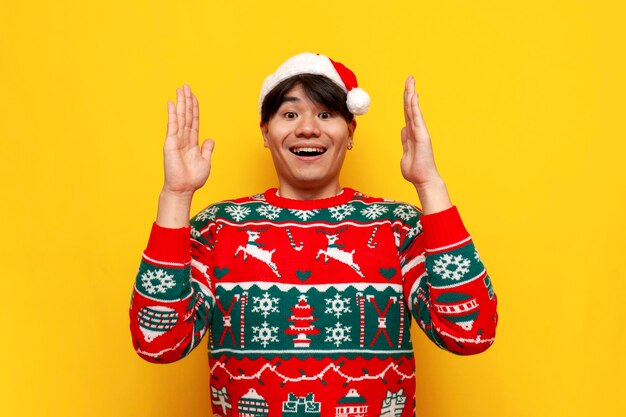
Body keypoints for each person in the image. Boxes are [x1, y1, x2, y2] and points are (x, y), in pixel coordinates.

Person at [129, 52, 498, 417]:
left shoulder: (397, 225)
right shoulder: (218, 226)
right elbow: (158, 342)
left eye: (326, 114)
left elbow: (470, 335)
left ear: (350, 131)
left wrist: (430, 184)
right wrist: (176, 197)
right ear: (265, 132)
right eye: (290, 114)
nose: (307, 128)